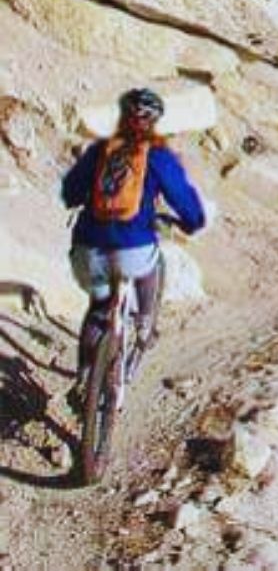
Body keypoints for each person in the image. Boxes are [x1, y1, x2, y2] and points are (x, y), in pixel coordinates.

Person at [60, 88, 207, 379]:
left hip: (89, 249)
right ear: (154, 122)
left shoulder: (100, 150)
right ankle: (144, 323)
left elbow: (70, 193)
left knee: (99, 308)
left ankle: (85, 377)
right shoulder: (158, 156)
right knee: (149, 264)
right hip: (133, 249)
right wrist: (191, 223)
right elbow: (185, 201)